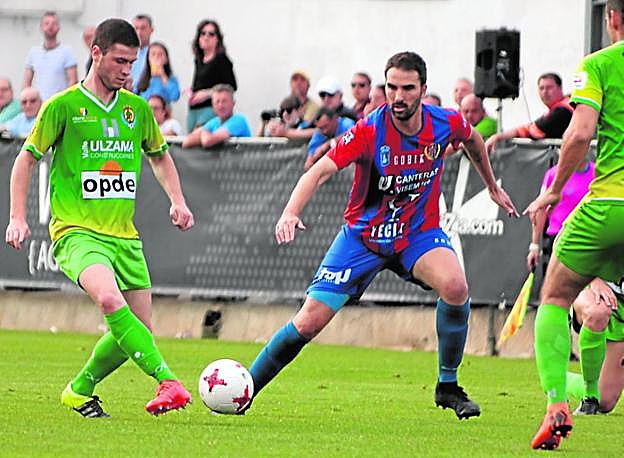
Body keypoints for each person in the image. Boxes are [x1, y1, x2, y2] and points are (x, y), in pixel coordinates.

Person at [245, 51, 518, 419]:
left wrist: (491, 187)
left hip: (417, 233)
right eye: (391, 87)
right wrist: (290, 212)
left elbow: (473, 140)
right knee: (308, 321)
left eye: (407, 88)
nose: (398, 96)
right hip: (363, 238)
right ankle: (245, 389)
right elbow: (318, 171)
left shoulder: (445, 121)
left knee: (456, 287)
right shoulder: (369, 130)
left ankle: (448, 386)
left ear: (423, 89)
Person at [5, 18, 194, 418]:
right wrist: (17, 217)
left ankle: (79, 389)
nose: (127, 71)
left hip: (124, 236)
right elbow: (25, 160)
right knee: (110, 299)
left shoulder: (136, 109)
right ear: (96, 53)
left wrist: (177, 200)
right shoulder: (63, 106)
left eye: (132, 63)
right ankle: (168, 381)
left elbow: (160, 156)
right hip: (76, 231)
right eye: (120, 61)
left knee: (137, 329)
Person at [524, 2, 624, 450]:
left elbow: (580, 133)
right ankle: (587, 392)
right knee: (605, 394)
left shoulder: (598, 65)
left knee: (555, 296)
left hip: (610, 203)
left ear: (612, 18)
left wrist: (554, 191)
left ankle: (555, 405)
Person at [526, 157, 594, 275]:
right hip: (558, 239)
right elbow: (541, 209)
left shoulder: (598, 174)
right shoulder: (553, 174)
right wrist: (534, 246)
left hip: (588, 240)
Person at [566, 278, 622, 416]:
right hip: (595, 290)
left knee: (604, 401)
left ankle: (560, 380)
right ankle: (587, 397)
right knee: (597, 311)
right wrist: (594, 280)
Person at [485, 73, 573, 153]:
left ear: (560, 88)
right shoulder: (566, 104)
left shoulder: (563, 110)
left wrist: (498, 137)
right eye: (541, 88)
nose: (545, 92)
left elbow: (533, 131)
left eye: (549, 87)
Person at [187, 19, 237, 132]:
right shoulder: (199, 60)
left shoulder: (221, 59)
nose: (206, 37)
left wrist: (207, 93)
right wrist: (191, 92)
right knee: (191, 137)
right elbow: (199, 84)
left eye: (211, 34)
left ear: (217, 39)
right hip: (194, 109)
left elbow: (232, 86)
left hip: (210, 108)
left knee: (200, 135)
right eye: (203, 33)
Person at [23, 11, 78, 101]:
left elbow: (73, 81)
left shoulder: (67, 52)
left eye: (54, 23)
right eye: (47, 23)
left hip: (59, 103)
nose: (50, 26)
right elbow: (26, 82)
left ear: (59, 27)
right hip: (39, 104)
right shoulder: (33, 52)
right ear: (41, 27)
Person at [182, 83, 250, 149]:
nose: (220, 105)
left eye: (224, 101)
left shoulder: (238, 120)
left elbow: (207, 141)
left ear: (233, 103)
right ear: (213, 105)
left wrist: (203, 132)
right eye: (217, 102)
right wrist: (206, 135)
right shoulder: (214, 122)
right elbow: (186, 142)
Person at [130, 14, 153, 93]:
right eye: (136, 28)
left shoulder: (155, 54)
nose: (139, 32)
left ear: (151, 30)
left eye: (143, 28)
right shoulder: (126, 53)